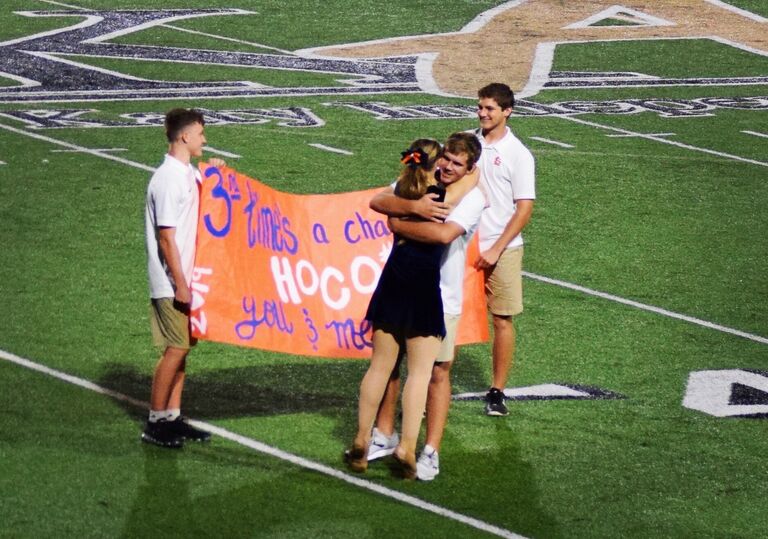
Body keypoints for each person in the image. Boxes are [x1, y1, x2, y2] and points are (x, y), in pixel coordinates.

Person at [366, 132, 485, 481]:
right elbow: (379, 200)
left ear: (470, 169)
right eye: (447, 157)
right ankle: (383, 435)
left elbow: (443, 235)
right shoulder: (423, 179)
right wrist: (413, 209)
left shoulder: (474, 198)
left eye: (457, 163)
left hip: (443, 296)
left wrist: (400, 224)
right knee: (390, 365)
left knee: (439, 372)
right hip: (405, 288)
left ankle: (430, 449)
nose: (448, 166)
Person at [345, 139, 452, 479]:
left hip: (392, 279)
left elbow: (378, 202)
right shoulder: (441, 194)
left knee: (379, 367)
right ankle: (406, 445)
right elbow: (443, 232)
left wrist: (402, 215)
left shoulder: (404, 187)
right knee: (419, 373)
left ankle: (362, 438)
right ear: (435, 165)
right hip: (422, 284)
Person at [142, 108, 224, 448]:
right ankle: (155, 421)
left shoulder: (186, 173)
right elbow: (166, 237)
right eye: (201, 133)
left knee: (184, 348)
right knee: (175, 349)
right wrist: (180, 283)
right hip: (173, 283)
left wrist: (216, 174)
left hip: (186, 279)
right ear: (185, 136)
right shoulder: (167, 179)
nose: (204, 139)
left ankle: (172, 417)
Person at [473, 83, 536, 416]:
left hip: (503, 248)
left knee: (502, 319)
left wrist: (497, 248)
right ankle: (429, 384)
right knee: (448, 317)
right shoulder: (468, 144)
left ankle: (497, 391)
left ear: (507, 111)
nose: (483, 113)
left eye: (490, 109)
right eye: (481, 107)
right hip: (465, 244)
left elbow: (524, 208)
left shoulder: (518, 154)